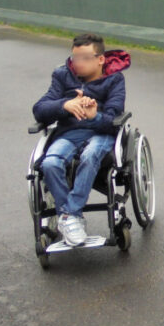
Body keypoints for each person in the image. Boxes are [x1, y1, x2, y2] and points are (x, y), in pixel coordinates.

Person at [33, 33, 129, 246]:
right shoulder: (62, 76)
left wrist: (95, 116)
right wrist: (64, 105)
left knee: (91, 154)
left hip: (101, 134)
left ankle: (68, 215)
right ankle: (71, 217)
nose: (78, 64)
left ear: (100, 59)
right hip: (68, 134)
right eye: (75, 58)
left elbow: (114, 118)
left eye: (85, 58)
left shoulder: (114, 80)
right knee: (49, 163)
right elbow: (39, 109)